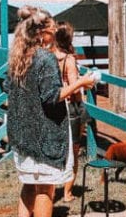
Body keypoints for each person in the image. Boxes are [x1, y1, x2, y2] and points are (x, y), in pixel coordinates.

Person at [6, 5, 97, 217]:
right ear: (42, 32)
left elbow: (8, 89)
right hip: (44, 136)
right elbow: (52, 97)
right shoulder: (45, 58)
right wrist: (81, 83)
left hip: (21, 133)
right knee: (45, 189)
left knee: (29, 185)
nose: (55, 33)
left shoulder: (17, 58)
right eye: (53, 29)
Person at [53, 21, 85, 203]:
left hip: (53, 106)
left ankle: (50, 189)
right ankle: (67, 192)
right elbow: (75, 88)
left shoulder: (49, 57)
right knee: (74, 150)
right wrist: (84, 83)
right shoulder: (69, 60)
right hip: (71, 107)